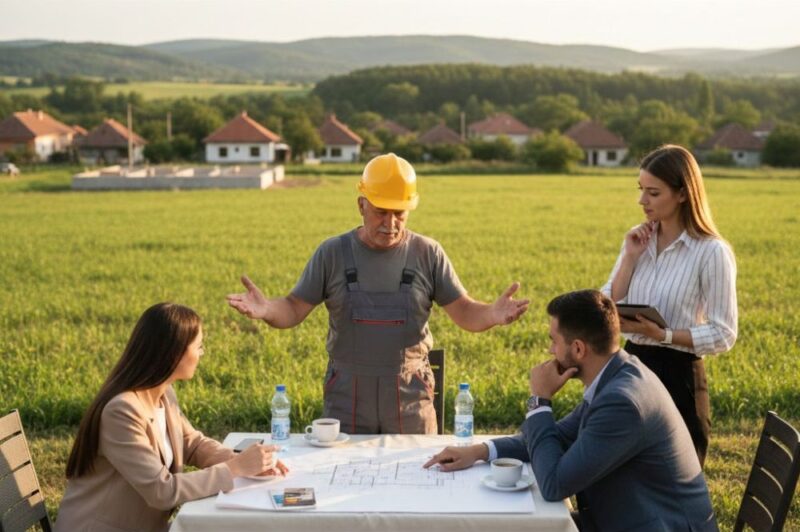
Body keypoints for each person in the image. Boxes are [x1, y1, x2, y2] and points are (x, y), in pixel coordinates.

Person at [227, 153, 529, 434]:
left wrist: (491, 313)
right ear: (361, 205)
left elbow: (464, 311)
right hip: (347, 397)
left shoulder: (428, 253)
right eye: (381, 212)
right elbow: (293, 308)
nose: (391, 224)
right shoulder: (332, 253)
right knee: (345, 476)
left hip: (411, 396)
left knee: (416, 476)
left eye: (399, 213)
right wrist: (267, 309)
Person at [425, 290, 718, 532]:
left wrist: (539, 401)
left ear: (578, 349)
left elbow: (554, 484)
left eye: (554, 340)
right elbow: (559, 436)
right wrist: (479, 451)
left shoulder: (623, 402)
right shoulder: (616, 375)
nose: (551, 350)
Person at [55, 303, 288, 532]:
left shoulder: (163, 394)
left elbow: (193, 444)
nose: (202, 353)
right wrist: (234, 467)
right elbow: (161, 491)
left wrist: (250, 463)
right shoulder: (122, 412)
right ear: (175, 354)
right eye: (199, 346)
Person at [601, 144, 737, 466]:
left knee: (674, 481)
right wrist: (630, 258)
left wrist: (663, 334)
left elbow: (723, 333)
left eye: (653, 193)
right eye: (640, 190)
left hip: (679, 375)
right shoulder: (638, 242)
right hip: (631, 366)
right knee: (622, 474)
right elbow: (607, 303)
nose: (641, 201)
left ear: (682, 194)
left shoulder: (711, 252)